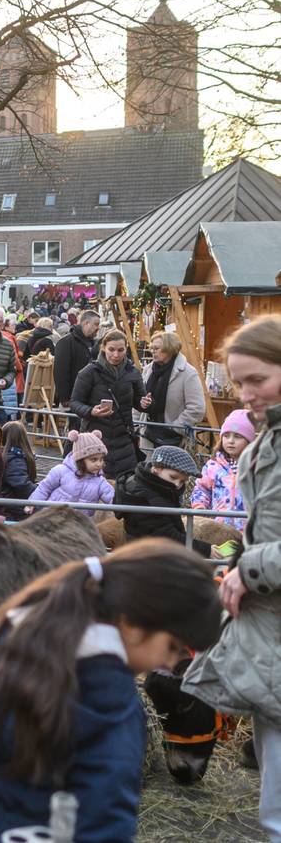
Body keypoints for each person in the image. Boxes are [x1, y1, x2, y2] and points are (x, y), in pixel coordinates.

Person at [0, 540, 221, 843]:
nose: (169, 661)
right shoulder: (110, 705)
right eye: (172, 647)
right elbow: (104, 822)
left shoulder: (16, 629)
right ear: (134, 624)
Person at [182, 315, 281, 840]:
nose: (245, 394)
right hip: (268, 630)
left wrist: (248, 568)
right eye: (238, 382)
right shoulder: (266, 444)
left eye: (257, 379)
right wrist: (237, 559)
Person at [69, 329, 147, 479]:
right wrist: (91, 411)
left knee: (124, 487)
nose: (116, 355)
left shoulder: (133, 372)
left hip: (124, 439)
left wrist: (144, 403)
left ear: (126, 349)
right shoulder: (89, 372)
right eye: (111, 349)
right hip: (95, 439)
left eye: (120, 350)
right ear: (103, 347)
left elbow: (139, 401)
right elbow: (74, 402)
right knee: (94, 486)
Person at [115, 446, 215, 557]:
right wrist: (206, 550)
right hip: (147, 557)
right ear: (156, 468)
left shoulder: (161, 489)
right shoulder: (142, 495)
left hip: (156, 554)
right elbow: (166, 535)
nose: (177, 485)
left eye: (182, 481)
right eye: (173, 477)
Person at [135, 331, 206, 450]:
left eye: (157, 348)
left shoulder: (188, 373)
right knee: (147, 468)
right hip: (147, 436)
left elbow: (197, 408)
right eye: (152, 348)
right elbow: (138, 399)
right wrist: (136, 425)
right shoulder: (148, 370)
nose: (152, 351)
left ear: (170, 349)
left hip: (174, 440)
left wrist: (174, 428)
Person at [27, 430, 115, 517]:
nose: (99, 464)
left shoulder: (100, 482)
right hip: (53, 518)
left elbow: (112, 497)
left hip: (78, 524)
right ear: (80, 459)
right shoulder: (61, 471)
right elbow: (44, 488)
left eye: (101, 459)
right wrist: (32, 503)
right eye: (94, 460)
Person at [190, 409, 254, 528]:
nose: (231, 441)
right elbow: (202, 488)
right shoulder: (213, 465)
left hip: (249, 529)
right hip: (220, 528)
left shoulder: (256, 466)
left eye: (238, 436)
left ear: (249, 441)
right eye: (226, 436)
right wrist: (199, 508)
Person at [53, 309, 99, 454]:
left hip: (90, 397)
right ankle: (68, 462)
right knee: (75, 433)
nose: (98, 328)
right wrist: (65, 397)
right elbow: (61, 372)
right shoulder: (66, 342)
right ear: (85, 323)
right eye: (96, 324)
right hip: (75, 397)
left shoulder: (93, 344)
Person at [0, 420, 37, 501]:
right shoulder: (15, 460)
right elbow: (23, 486)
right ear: (23, 438)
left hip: (11, 499)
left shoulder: (8, 456)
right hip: (14, 503)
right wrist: (42, 491)